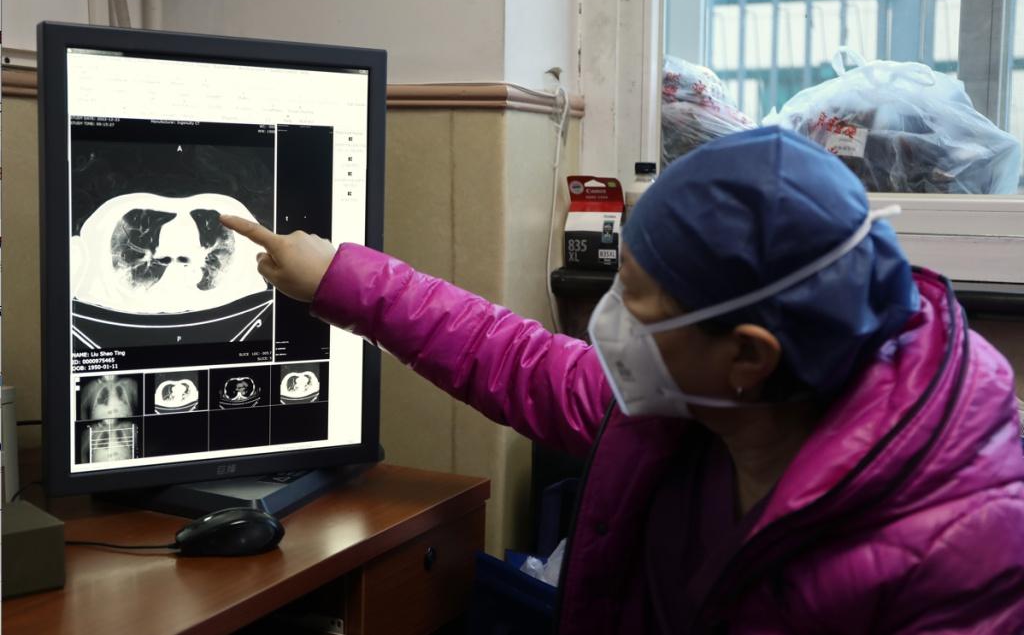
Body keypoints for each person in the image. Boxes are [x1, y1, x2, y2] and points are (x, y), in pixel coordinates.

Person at [221, 127, 1024, 634]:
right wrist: (336, 275)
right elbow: (510, 357)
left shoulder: (963, 554)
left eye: (634, 297)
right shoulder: (691, 404)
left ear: (748, 356)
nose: (609, 320)